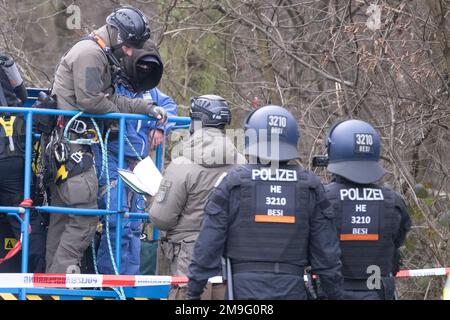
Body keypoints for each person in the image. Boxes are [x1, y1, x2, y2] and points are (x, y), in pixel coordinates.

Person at [45, 6, 168, 273]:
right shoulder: (90, 54)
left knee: (66, 215)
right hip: (72, 146)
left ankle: (53, 278)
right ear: (116, 34)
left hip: (74, 143)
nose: (129, 52)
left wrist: (145, 108)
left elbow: (107, 100)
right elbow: (91, 101)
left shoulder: (101, 53)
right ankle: (59, 277)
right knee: (85, 215)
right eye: (129, 46)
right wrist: (127, 111)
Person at [187, 105, 343, 300]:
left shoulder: (233, 183)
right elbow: (326, 257)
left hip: (242, 292)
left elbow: (207, 246)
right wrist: (334, 294)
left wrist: (192, 293)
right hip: (292, 289)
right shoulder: (310, 185)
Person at [149, 95, 245, 299]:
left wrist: (153, 198)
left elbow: (161, 218)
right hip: (231, 256)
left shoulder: (181, 165)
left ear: (196, 123)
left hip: (188, 259)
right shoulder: (244, 164)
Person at [95, 40, 177, 275]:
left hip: (139, 164)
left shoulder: (151, 91)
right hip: (111, 158)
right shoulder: (114, 87)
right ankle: (110, 282)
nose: (145, 71)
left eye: (149, 68)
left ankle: (129, 282)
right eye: (141, 66)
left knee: (134, 225)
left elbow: (170, 106)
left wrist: (161, 128)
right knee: (115, 220)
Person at [323, 119, 411, 300]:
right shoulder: (394, 201)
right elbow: (397, 244)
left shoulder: (322, 198)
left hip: (334, 291)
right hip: (378, 291)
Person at [0, 52, 47, 272]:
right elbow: (20, 93)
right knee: (25, 219)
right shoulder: (5, 62)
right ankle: (35, 279)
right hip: (11, 149)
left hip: (9, 146)